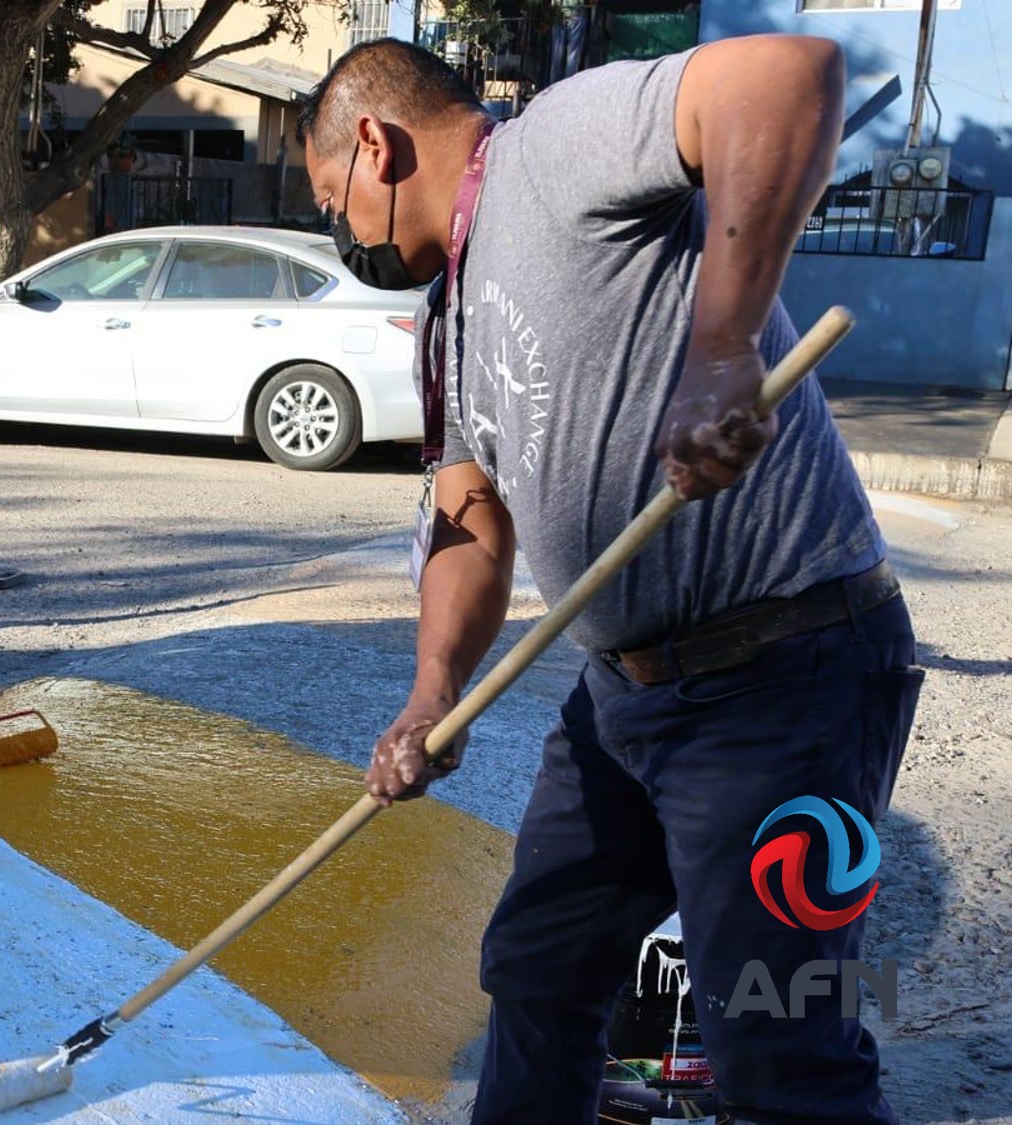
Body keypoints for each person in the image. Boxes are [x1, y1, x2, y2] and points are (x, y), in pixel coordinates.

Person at [297, 37, 921, 1124]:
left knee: (776, 1044)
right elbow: (467, 520)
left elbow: (786, 77)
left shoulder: (555, 145)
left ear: (373, 145)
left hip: (785, 673)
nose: (341, 232)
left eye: (328, 201)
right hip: (624, 697)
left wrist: (722, 349)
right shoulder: (444, 322)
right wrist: (430, 693)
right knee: (538, 970)